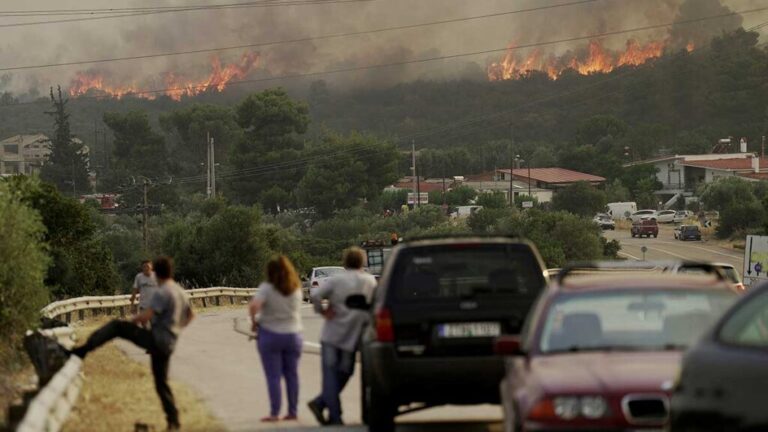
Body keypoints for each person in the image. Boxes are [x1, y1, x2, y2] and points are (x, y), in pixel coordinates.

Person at [70, 256, 193, 431]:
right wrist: (175, 330)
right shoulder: (180, 291)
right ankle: (173, 421)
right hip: (168, 343)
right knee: (161, 383)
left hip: (157, 340)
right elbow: (191, 316)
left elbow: (146, 316)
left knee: (116, 326)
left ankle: (82, 351)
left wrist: (130, 321)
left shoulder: (163, 292)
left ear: (156, 273)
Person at [307, 247, 377, 425]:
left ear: (345, 262)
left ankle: (324, 407)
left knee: (331, 376)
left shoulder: (337, 280)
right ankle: (333, 416)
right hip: (352, 338)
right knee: (345, 372)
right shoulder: (370, 281)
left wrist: (322, 311)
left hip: (331, 336)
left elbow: (316, 295)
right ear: (362, 261)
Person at [248, 255, 303, 423]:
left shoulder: (267, 288)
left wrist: (254, 323)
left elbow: (254, 306)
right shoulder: (295, 288)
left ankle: (274, 413)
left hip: (270, 334)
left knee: (274, 376)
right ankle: (292, 411)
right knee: (292, 375)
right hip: (293, 334)